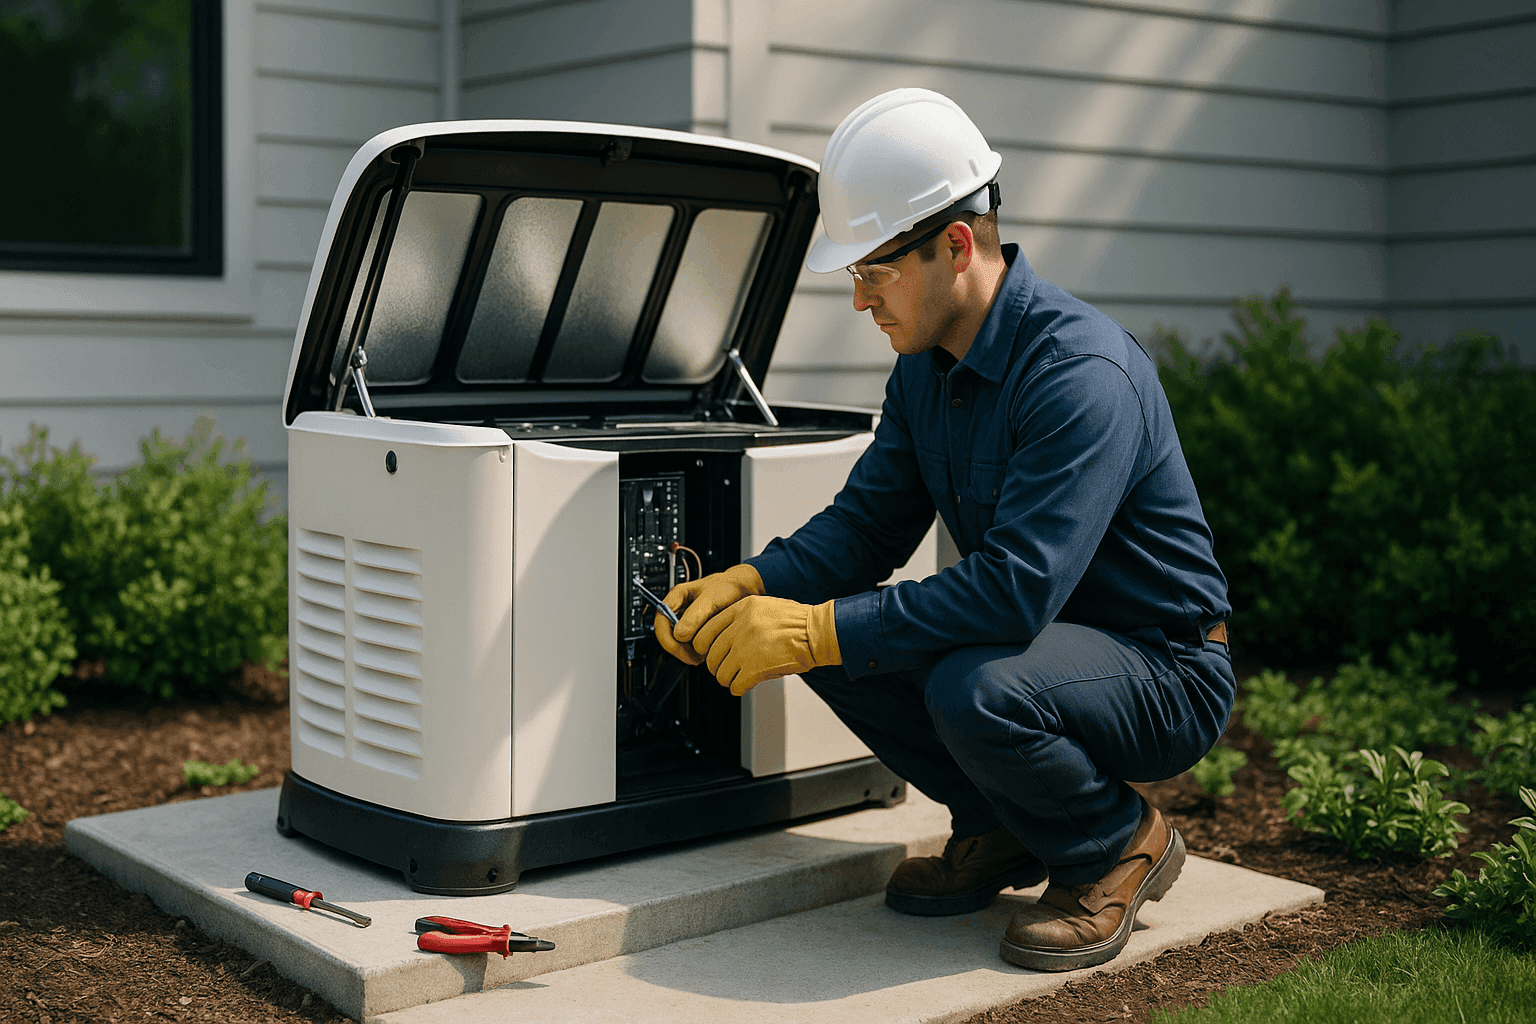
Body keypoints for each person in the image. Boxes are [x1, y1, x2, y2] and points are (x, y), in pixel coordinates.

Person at [655, 87, 1234, 973]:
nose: (861, 303)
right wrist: (754, 586)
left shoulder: (1080, 372)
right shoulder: (926, 369)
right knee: (832, 632)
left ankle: (1115, 841)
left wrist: (815, 628)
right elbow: (867, 528)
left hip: (1163, 665)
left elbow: (1014, 589)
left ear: (954, 246)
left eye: (873, 273)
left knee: (965, 680)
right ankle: (1004, 826)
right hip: (1043, 647)